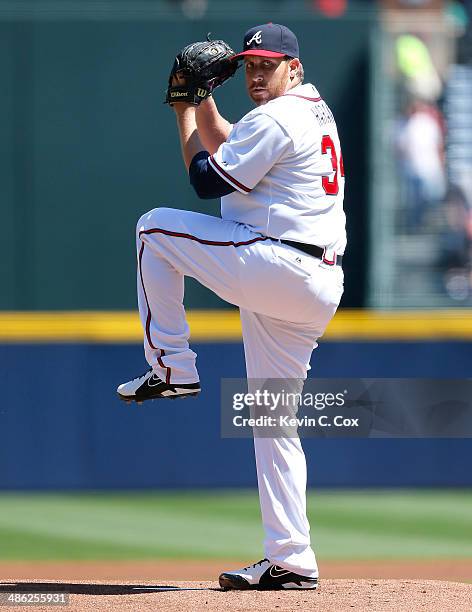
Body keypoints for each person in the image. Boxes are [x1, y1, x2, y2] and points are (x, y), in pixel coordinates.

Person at [117, 23, 346, 590]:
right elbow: (226, 140)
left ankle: (172, 365)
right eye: (249, 65)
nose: (256, 74)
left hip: (280, 263)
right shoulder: (308, 111)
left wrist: (181, 109)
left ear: (295, 66)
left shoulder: (279, 116)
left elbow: (203, 178)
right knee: (273, 421)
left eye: (267, 65)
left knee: (153, 231)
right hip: (311, 279)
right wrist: (202, 102)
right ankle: (292, 557)